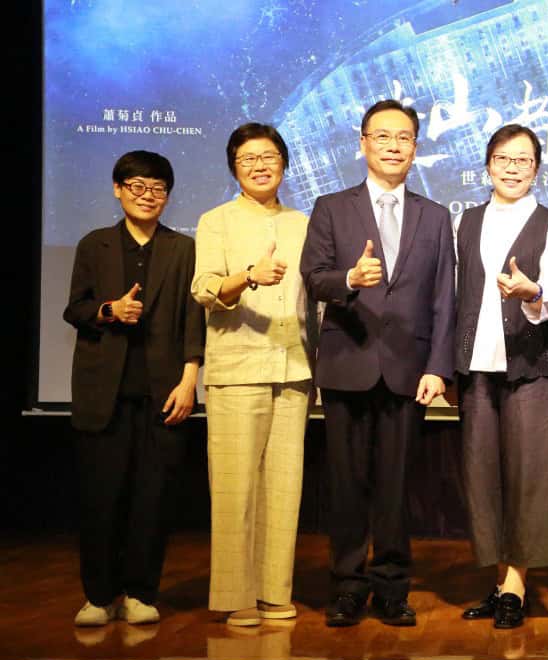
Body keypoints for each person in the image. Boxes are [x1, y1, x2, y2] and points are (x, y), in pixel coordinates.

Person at [300, 99, 456, 628]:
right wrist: (349, 279)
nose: (393, 146)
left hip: (408, 370)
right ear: (362, 143)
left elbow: (444, 298)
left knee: (396, 486)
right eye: (383, 136)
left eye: (404, 138)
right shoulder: (331, 207)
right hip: (348, 363)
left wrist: (438, 366)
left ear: (415, 147)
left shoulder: (435, 216)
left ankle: (392, 587)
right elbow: (313, 277)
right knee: (346, 485)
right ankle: (348, 586)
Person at [64, 150, 204, 626]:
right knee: (100, 499)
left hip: (163, 395)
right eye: (137, 186)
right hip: (103, 393)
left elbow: (192, 320)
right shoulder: (95, 244)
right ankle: (99, 597)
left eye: (158, 188)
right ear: (118, 189)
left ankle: (142, 593)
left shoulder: (183, 249)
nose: (148, 196)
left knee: (153, 500)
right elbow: (75, 308)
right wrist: (110, 310)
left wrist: (190, 379)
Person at [192, 123, 315, 627]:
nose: (260, 166)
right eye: (248, 159)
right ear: (234, 168)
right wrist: (248, 276)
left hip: (294, 367)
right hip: (237, 367)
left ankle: (273, 591)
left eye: (269, 157)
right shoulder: (215, 221)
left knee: (285, 488)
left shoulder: (304, 223)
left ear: (284, 163)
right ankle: (234, 596)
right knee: (234, 486)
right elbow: (203, 288)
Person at [454, 124, 548, 629]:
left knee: (529, 475)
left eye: (523, 160)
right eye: (503, 158)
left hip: (532, 365)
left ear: (536, 169)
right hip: (477, 365)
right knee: (482, 475)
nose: (511, 168)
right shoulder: (466, 220)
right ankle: (500, 579)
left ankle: (517, 588)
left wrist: (532, 292)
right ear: (487, 166)